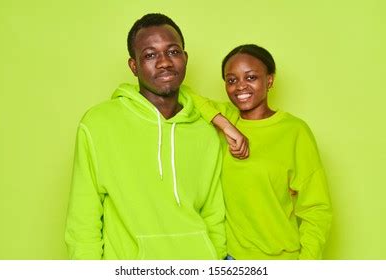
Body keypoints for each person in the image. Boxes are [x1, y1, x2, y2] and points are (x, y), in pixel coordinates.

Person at [65, 13, 239, 260]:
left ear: (185, 58)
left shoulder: (206, 128)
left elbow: (213, 212)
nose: (164, 62)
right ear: (133, 66)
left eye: (173, 52)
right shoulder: (98, 124)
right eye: (149, 55)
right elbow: (83, 222)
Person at [192, 44, 332, 259]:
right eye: (232, 80)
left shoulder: (294, 131)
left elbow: (316, 208)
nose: (240, 87)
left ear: (269, 80)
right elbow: (183, 95)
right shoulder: (225, 118)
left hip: (281, 259)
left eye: (251, 77)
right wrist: (226, 125)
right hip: (230, 258)